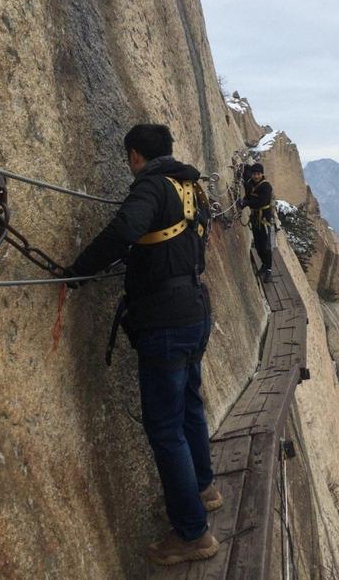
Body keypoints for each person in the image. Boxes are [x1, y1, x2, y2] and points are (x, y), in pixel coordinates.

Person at [68, 124, 221, 566]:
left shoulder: (151, 188)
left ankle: (193, 533)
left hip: (165, 321)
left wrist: (79, 270)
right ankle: (204, 488)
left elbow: (126, 229)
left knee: (164, 427)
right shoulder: (191, 187)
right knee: (190, 405)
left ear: (135, 156)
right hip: (194, 310)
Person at [241, 162, 274, 282]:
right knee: (259, 246)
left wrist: (246, 203)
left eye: (258, 174)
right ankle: (264, 265)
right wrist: (244, 201)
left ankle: (269, 270)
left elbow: (262, 202)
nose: (256, 176)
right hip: (255, 218)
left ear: (262, 174)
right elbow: (248, 195)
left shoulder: (266, 186)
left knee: (266, 246)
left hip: (265, 219)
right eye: (254, 174)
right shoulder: (250, 184)